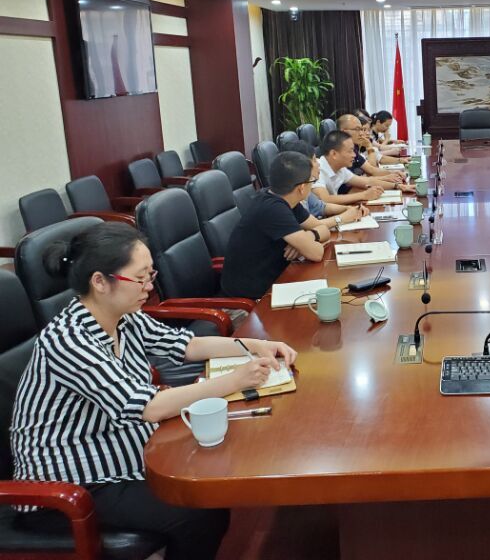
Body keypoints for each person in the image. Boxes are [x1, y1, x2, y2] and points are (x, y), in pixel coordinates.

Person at [11, 222, 297, 560]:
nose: (150, 286)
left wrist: (255, 345)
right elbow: (147, 407)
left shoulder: (122, 316)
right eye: (141, 278)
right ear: (100, 282)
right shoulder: (69, 341)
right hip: (71, 486)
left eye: (151, 275)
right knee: (198, 511)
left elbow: (187, 345)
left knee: (210, 480)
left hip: (120, 451)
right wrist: (234, 381)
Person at [221, 151, 333, 298]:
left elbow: (323, 228)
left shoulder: (284, 198)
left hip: (276, 280)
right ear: (301, 188)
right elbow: (316, 254)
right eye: (312, 181)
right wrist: (305, 243)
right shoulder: (273, 209)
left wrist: (308, 237)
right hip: (252, 297)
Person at [285, 140, 368, 227]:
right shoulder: (291, 197)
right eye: (314, 160)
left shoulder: (304, 188)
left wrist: (348, 209)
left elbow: (322, 207)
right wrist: (343, 218)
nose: (318, 164)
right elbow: (311, 226)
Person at [316, 130, 412, 205]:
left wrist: (398, 186)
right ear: (334, 154)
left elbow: (367, 181)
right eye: (350, 151)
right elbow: (325, 199)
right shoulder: (317, 169)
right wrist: (364, 195)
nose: (354, 155)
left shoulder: (340, 169)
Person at [338, 114, 409, 180]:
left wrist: (393, 174)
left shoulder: (355, 149)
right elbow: (371, 171)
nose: (364, 133)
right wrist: (369, 146)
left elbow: (372, 170)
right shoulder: (342, 152)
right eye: (359, 129)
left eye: (367, 130)